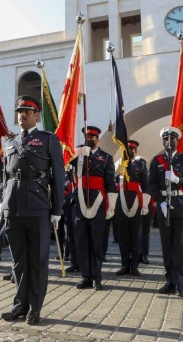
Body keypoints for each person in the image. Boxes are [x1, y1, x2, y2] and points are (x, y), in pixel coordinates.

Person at [0, 95, 64, 325]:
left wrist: (57, 209)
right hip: (13, 207)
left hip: (37, 207)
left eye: (27, 111)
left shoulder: (48, 139)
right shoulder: (9, 142)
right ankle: (19, 305)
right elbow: (4, 176)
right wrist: (2, 202)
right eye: (19, 111)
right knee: (18, 261)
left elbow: (58, 175)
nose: (22, 115)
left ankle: (35, 308)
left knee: (37, 260)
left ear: (37, 115)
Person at [148, 127, 183, 297]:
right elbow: (151, 185)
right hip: (164, 205)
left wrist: (178, 179)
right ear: (163, 141)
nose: (170, 142)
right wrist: (160, 202)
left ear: (177, 141)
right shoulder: (157, 161)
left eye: (173, 139)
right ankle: (169, 281)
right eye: (166, 139)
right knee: (167, 245)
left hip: (181, 203)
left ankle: (180, 282)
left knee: (181, 244)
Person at [70, 125, 117, 291]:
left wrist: (111, 206)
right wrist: (78, 154)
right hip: (80, 201)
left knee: (97, 241)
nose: (89, 139)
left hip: (97, 201)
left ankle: (97, 276)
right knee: (81, 241)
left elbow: (111, 183)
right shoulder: (78, 155)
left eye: (92, 137)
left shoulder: (106, 158)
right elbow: (64, 162)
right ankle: (85, 276)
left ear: (98, 139)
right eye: (87, 136)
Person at [115, 140, 149, 277]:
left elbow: (145, 186)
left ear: (136, 151)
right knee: (123, 236)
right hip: (121, 201)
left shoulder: (140, 165)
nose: (131, 151)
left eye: (134, 149)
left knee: (135, 236)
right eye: (129, 149)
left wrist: (145, 204)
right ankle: (124, 265)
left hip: (135, 201)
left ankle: (134, 266)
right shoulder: (119, 165)